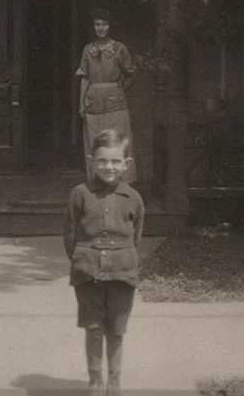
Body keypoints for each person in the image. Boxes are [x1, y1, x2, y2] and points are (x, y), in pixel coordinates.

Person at [63, 129, 145, 395]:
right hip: (87, 273)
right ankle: (96, 382)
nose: (108, 167)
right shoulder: (80, 194)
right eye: (102, 161)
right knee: (93, 328)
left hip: (122, 274)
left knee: (116, 330)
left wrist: (121, 260)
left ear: (126, 164)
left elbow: (136, 237)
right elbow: (70, 235)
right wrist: (83, 260)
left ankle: (115, 384)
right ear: (91, 161)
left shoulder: (133, 198)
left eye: (115, 161)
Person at [77, 9, 137, 184]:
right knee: (94, 142)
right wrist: (81, 104)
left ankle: (121, 184)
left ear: (110, 26)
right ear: (93, 26)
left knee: (118, 140)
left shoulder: (120, 48)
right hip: (92, 102)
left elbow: (131, 73)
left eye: (105, 24)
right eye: (97, 24)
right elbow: (85, 78)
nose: (101, 28)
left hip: (115, 103)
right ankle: (97, 182)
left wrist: (120, 90)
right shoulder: (88, 50)